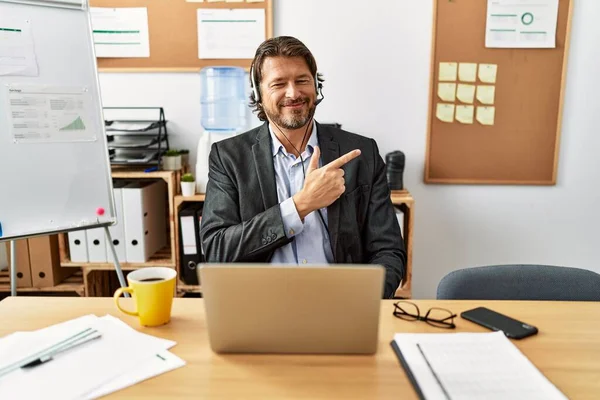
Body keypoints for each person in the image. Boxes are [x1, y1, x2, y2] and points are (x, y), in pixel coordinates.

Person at [199, 36, 406, 298]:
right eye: (278, 84)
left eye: (302, 80)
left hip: (343, 303)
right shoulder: (228, 157)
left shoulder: (362, 153)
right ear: (258, 93)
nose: (293, 93)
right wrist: (300, 205)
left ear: (316, 85)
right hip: (262, 307)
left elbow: (389, 250)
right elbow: (217, 249)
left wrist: (363, 300)